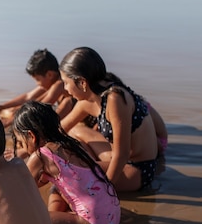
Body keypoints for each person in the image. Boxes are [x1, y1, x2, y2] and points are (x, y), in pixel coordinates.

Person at [12, 101, 120, 224]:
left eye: (21, 141)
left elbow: (19, 190)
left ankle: (57, 222)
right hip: (112, 217)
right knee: (56, 188)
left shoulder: (40, 156)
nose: (22, 147)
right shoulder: (71, 144)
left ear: (31, 136)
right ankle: (58, 218)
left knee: (26, 223)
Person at [58, 47, 163, 192]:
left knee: (67, 174)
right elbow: (60, 129)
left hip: (137, 169)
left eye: (66, 82)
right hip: (120, 158)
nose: (65, 89)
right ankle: (90, 167)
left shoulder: (115, 99)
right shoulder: (94, 95)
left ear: (82, 82)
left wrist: (104, 190)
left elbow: (122, 155)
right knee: (75, 131)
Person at [0, 49, 74, 126]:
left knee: (66, 102)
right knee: (11, 111)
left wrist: (8, 122)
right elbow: (28, 97)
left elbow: (38, 108)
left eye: (37, 79)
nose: (37, 84)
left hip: (76, 118)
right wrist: (2, 107)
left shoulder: (59, 84)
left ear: (49, 75)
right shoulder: (50, 82)